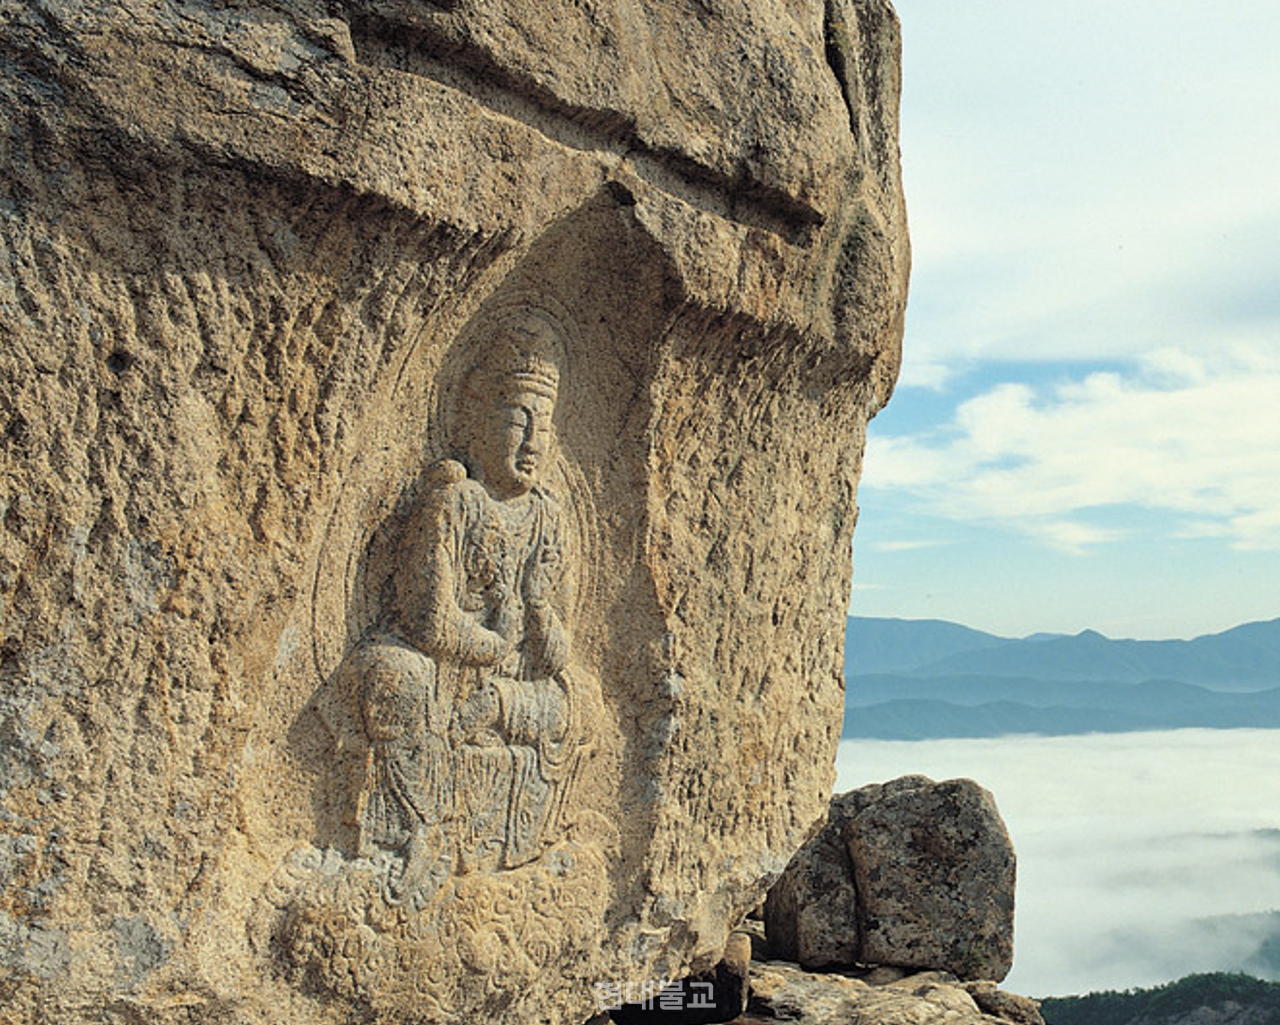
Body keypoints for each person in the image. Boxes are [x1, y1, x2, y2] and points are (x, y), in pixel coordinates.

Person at [353, 314, 582, 900]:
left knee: (581, 705)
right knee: (395, 675)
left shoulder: (545, 517)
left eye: (545, 427)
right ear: (476, 418)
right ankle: (419, 831)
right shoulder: (455, 501)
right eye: (516, 420)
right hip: (442, 668)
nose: (533, 442)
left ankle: (520, 834)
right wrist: (493, 643)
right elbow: (427, 617)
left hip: (501, 684)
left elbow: (552, 651)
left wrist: (538, 615)